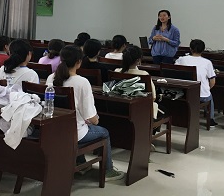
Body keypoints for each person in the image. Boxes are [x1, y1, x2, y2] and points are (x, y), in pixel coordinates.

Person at [47, 45, 125, 181]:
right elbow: (91, 117)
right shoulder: (82, 82)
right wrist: (94, 120)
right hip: (75, 133)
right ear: (79, 62)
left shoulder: (51, 78)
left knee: (83, 124)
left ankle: (81, 163)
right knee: (104, 132)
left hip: (55, 129)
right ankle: (108, 171)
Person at [175, 39, 217, 126]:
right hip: (201, 95)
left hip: (184, 92)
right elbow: (212, 82)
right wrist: (206, 89)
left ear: (190, 49)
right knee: (209, 96)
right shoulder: (207, 62)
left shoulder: (181, 59)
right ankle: (211, 120)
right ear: (203, 50)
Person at [116, 45, 158, 119]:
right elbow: (153, 97)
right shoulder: (144, 74)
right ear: (138, 60)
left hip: (121, 107)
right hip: (140, 111)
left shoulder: (116, 71)